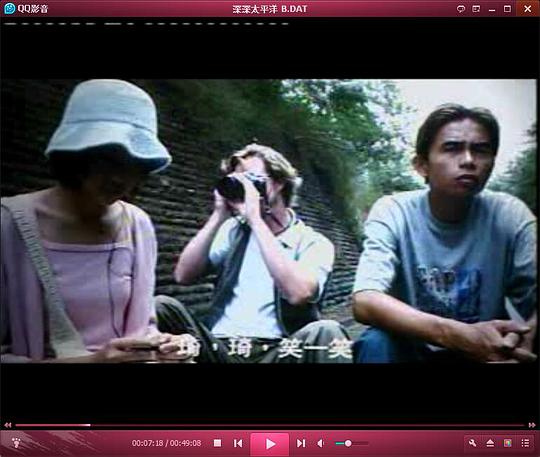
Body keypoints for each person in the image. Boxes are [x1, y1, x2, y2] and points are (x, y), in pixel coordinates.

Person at [1, 79, 198, 363]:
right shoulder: (8, 225)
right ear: (76, 154)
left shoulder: (137, 224)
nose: (120, 177)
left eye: (135, 162)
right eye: (107, 158)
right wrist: (94, 361)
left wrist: (166, 346)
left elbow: (143, 328)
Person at [351, 104, 537, 363]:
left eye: (481, 150)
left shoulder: (510, 216)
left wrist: (526, 335)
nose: (469, 160)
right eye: (452, 148)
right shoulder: (394, 212)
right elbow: (365, 300)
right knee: (375, 342)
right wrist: (458, 334)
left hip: (486, 351)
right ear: (422, 165)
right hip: (412, 349)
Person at [159, 143, 352, 363]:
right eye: (237, 180)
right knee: (162, 307)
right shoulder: (232, 231)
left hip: (281, 350)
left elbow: (299, 293)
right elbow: (183, 275)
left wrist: (256, 220)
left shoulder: (313, 242)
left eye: (250, 179)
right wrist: (218, 215)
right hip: (220, 348)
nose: (244, 188)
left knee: (328, 331)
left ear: (278, 183)